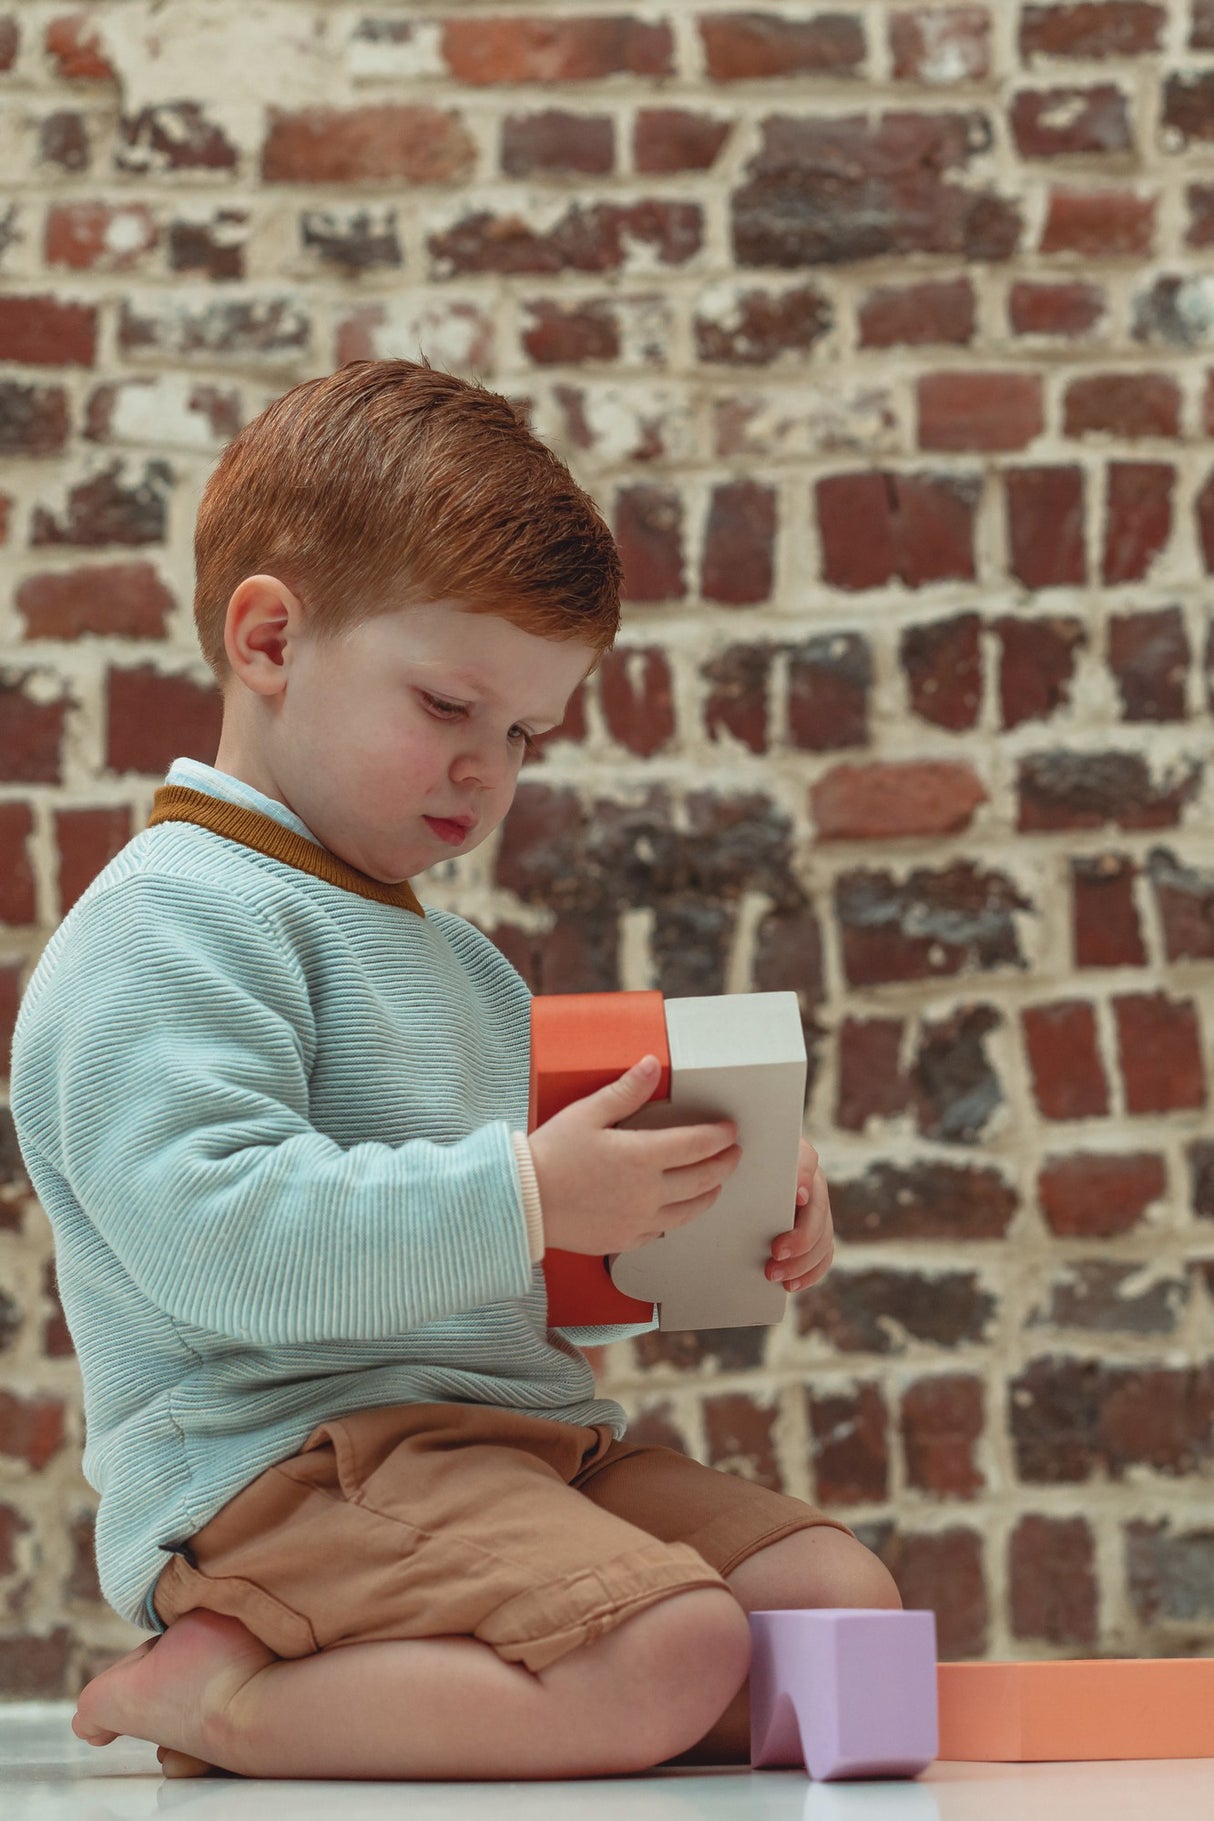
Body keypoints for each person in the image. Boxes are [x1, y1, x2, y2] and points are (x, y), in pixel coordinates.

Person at [10, 359, 898, 1783]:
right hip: (297, 1465)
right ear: (268, 637)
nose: (485, 771)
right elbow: (218, 1247)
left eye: (524, 735)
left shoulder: (461, 963)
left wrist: (699, 1214)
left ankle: (412, 1679)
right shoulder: (167, 925)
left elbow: (495, 1264)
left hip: (516, 1440)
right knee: (668, 1647)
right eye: (444, 704)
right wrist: (532, 1197)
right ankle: (221, 1699)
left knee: (838, 1616)